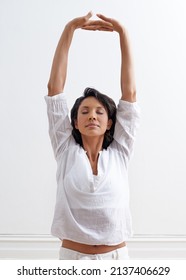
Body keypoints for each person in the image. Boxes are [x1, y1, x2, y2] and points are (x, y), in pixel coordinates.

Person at [45, 12, 140, 260]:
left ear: (110, 123)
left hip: (117, 260)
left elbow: (130, 92)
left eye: (100, 112)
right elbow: (54, 90)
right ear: (74, 122)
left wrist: (123, 33)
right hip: (73, 259)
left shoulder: (120, 151)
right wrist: (69, 30)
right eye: (84, 112)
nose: (92, 116)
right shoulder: (65, 149)